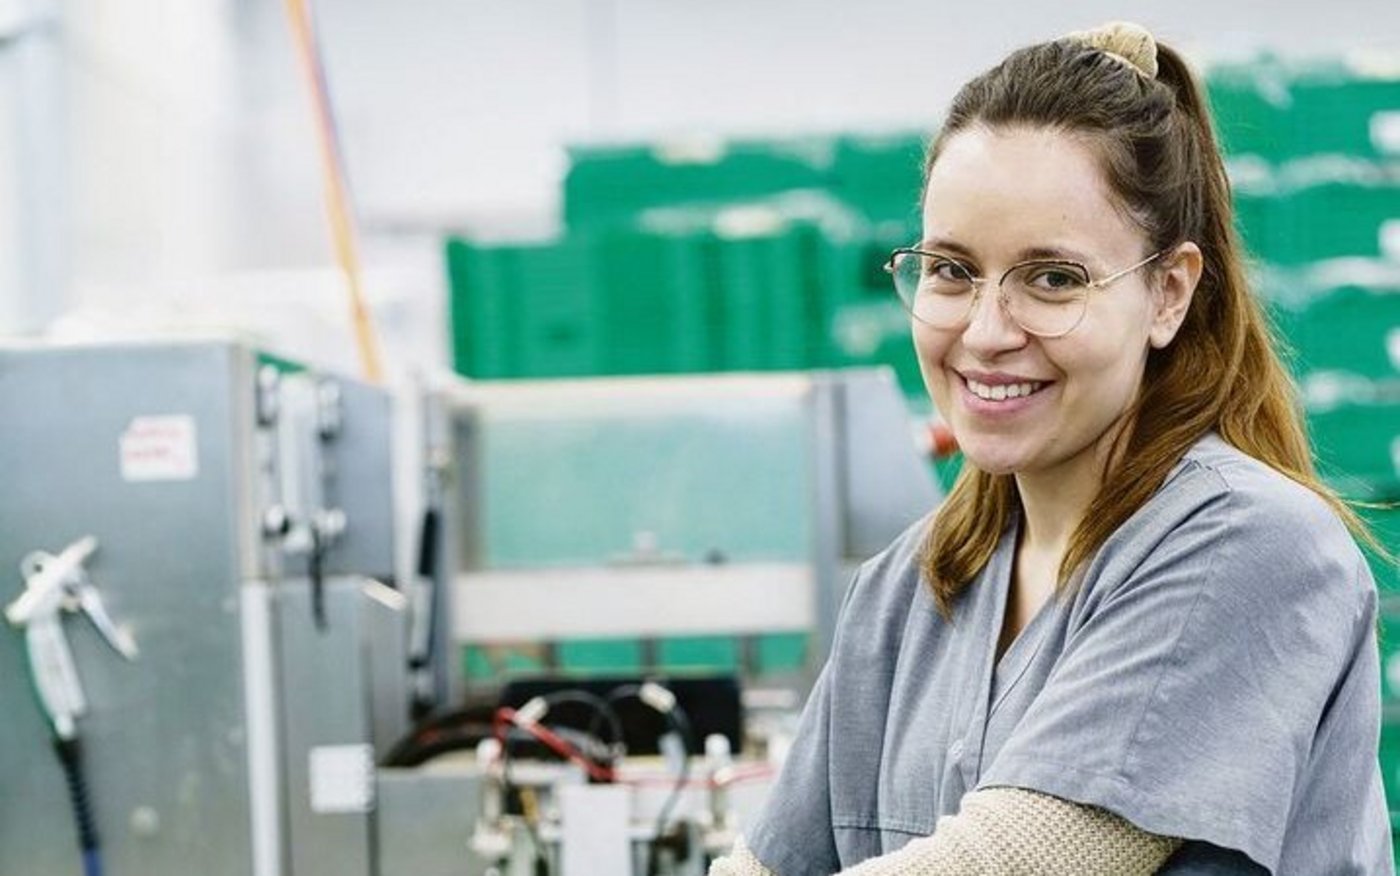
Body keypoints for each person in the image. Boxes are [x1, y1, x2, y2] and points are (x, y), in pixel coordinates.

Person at [709, 21, 1392, 876]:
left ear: (1168, 293)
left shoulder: (1252, 546)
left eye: (1053, 279)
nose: (987, 332)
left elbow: (1025, 859)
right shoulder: (904, 591)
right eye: (951, 270)